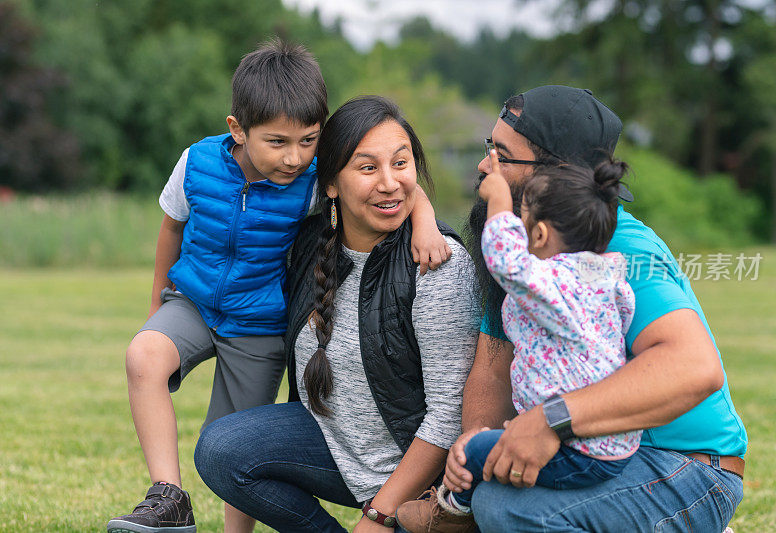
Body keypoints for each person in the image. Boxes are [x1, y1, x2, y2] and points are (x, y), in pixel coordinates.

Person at [107, 44, 451, 533]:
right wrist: (156, 302)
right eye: (277, 142)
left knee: (229, 441)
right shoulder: (197, 163)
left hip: (259, 324)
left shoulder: (314, 181)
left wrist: (426, 224)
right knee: (143, 355)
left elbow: (396, 185)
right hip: (193, 302)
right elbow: (171, 229)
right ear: (237, 130)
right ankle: (169, 497)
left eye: (309, 140)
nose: (294, 157)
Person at [443, 86, 747, 532]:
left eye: (503, 155)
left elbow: (694, 368)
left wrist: (552, 421)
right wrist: (476, 451)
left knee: (506, 508)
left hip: (687, 467)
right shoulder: (520, 245)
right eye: (489, 148)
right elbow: (492, 368)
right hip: (593, 453)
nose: (484, 166)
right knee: (488, 494)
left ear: (557, 173)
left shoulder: (619, 249)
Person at [193, 95, 479, 533]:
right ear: (329, 184)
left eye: (400, 164)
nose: (388, 183)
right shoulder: (309, 241)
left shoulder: (437, 263)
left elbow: (448, 415)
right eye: (367, 168)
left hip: (416, 478)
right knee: (220, 449)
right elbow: (266, 167)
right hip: (335, 447)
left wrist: (380, 516)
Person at [397, 155, 641, 532]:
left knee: (472, 451)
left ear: (539, 235)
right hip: (611, 444)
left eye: (520, 216)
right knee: (498, 443)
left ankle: (453, 513)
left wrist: (498, 199)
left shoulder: (556, 283)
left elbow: (508, 262)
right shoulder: (603, 277)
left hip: (579, 450)